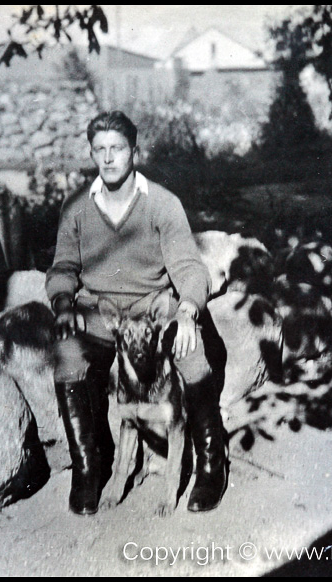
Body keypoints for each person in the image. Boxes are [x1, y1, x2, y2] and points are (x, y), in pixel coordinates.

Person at [46, 110, 228, 515]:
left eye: (118, 149)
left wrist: (186, 310)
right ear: (92, 154)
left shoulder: (162, 203)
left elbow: (187, 267)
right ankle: (88, 468)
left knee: (191, 351)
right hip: (101, 310)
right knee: (68, 354)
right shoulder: (76, 206)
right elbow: (63, 268)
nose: (109, 158)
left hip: (152, 310)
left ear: (134, 152)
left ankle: (212, 464)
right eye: (100, 150)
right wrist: (62, 305)